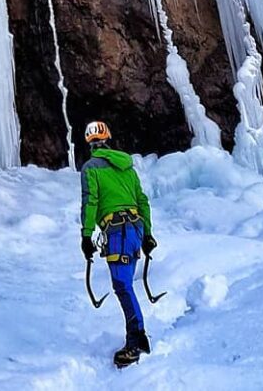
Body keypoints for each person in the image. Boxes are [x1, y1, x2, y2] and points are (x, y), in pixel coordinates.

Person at [80, 119, 157, 367]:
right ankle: (139, 335)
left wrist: (86, 234)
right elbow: (142, 201)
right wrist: (147, 234)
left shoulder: (91, 168)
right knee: (124, 284)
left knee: (123, 285)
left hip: (117, 231)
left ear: (90, 144)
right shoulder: (127, 168)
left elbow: (90, 201)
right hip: (134, 228)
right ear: (108, 140)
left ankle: (135, 341)